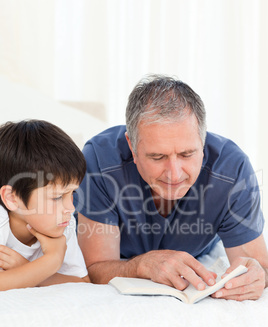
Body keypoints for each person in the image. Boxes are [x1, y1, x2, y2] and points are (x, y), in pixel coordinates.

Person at [75, 74, 267, 301]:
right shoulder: (99, 161)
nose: (174, 175)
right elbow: (95, 268)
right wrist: (140, 265)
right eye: (157, 157)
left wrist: (256, 277)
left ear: (203, 143)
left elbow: (259, 266)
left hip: (202, 251)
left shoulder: (232, 170)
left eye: (187, 154)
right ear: (132, 147)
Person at [0, 119, 90, 290]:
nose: (71, 208)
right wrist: (51, 261)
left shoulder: (64, 223)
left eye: (73, 193)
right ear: (12, 198)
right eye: (57, 197)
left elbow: (83, 284)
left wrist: (25, 266)